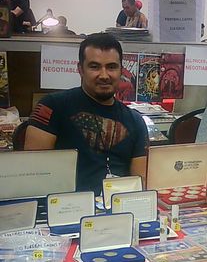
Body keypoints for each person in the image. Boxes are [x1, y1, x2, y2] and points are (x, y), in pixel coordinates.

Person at [24, 33, 149, 195]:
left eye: (111, 67)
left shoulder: (136, 121)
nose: (104, 75)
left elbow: (140, 183)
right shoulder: (52, 106)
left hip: (119, 208)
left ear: (121, 70)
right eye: (94, 67)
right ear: (80, 69)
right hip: (65, 207)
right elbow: (33, 175)